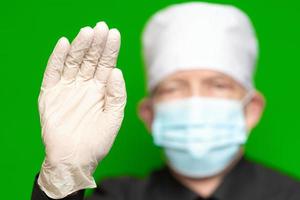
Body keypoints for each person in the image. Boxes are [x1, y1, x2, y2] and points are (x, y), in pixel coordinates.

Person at [31, 2, 300, 200]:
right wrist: (62, 177)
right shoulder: (117, 196)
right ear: (149, 114)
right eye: (173, 88)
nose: (195, 103)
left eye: (218, 86)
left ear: (251, 110)